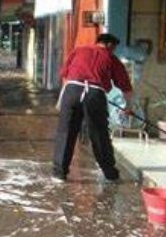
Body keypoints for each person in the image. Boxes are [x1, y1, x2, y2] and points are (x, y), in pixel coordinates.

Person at [53, 33, 133, 182]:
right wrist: (128, 106)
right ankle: (110, 174)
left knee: (66, 132)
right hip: (95, 94)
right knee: (99, 134)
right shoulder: (110, 57)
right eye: (113, 48)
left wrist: (62, 99)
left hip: (72, 91)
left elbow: (65, 74)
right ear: (109, 45)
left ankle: (59, 173)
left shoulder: (78, 50)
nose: (113, 51)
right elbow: (126, 86)